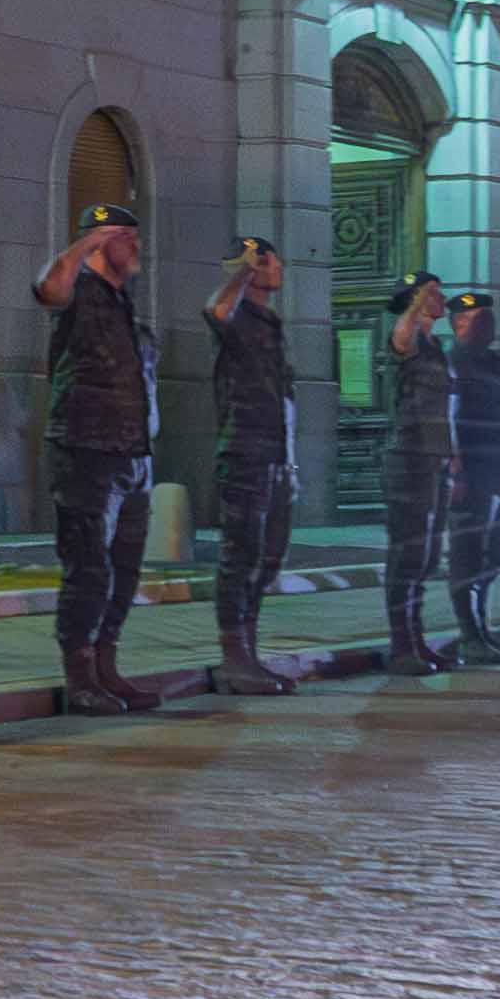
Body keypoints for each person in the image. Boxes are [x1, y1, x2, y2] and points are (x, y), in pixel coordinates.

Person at [32, 200, 164, 715]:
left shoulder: (122, 301)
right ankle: (81, 676)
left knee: (123, 571)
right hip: (86, 453)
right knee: (88, 569)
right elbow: (48, 287)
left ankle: (107, 668)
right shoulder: (76, 292)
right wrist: (89, 241)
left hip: (133, 455)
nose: (138, 247)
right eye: (128, 237)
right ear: (102, 239)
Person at [201, 236, 301, 695]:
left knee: (268, 557)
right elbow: (214, 312)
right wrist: (242, 270)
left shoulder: (271, 323)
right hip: (244, 452)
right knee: (240, 557)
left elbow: (286, 399)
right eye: (269, 258)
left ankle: (250, 651)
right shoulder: (237, 316)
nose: (279, 264)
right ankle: (234, 659)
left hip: (276, 457)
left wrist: (293, 464)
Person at [440, 292, 500, 667]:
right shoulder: (454, 364)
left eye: (489, 319)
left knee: (493, 557)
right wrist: (455, 468)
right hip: (474, 474)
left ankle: (483, 629)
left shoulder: (499, 362)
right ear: (459, 324)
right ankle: (470, 634)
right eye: (479, 319)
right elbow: (447, 417)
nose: (488, 325)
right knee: (468, 555)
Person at [379, 272, 459, 674]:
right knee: (406, 554)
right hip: (408, 459)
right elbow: (401, 339)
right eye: (433, 292)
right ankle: (401, 647)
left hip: (436, 459)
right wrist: (415, 302)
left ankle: (417, 640)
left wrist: (452, 455)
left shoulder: (436, 346)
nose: (441, 297)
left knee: (426, 556)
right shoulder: (406, 338)